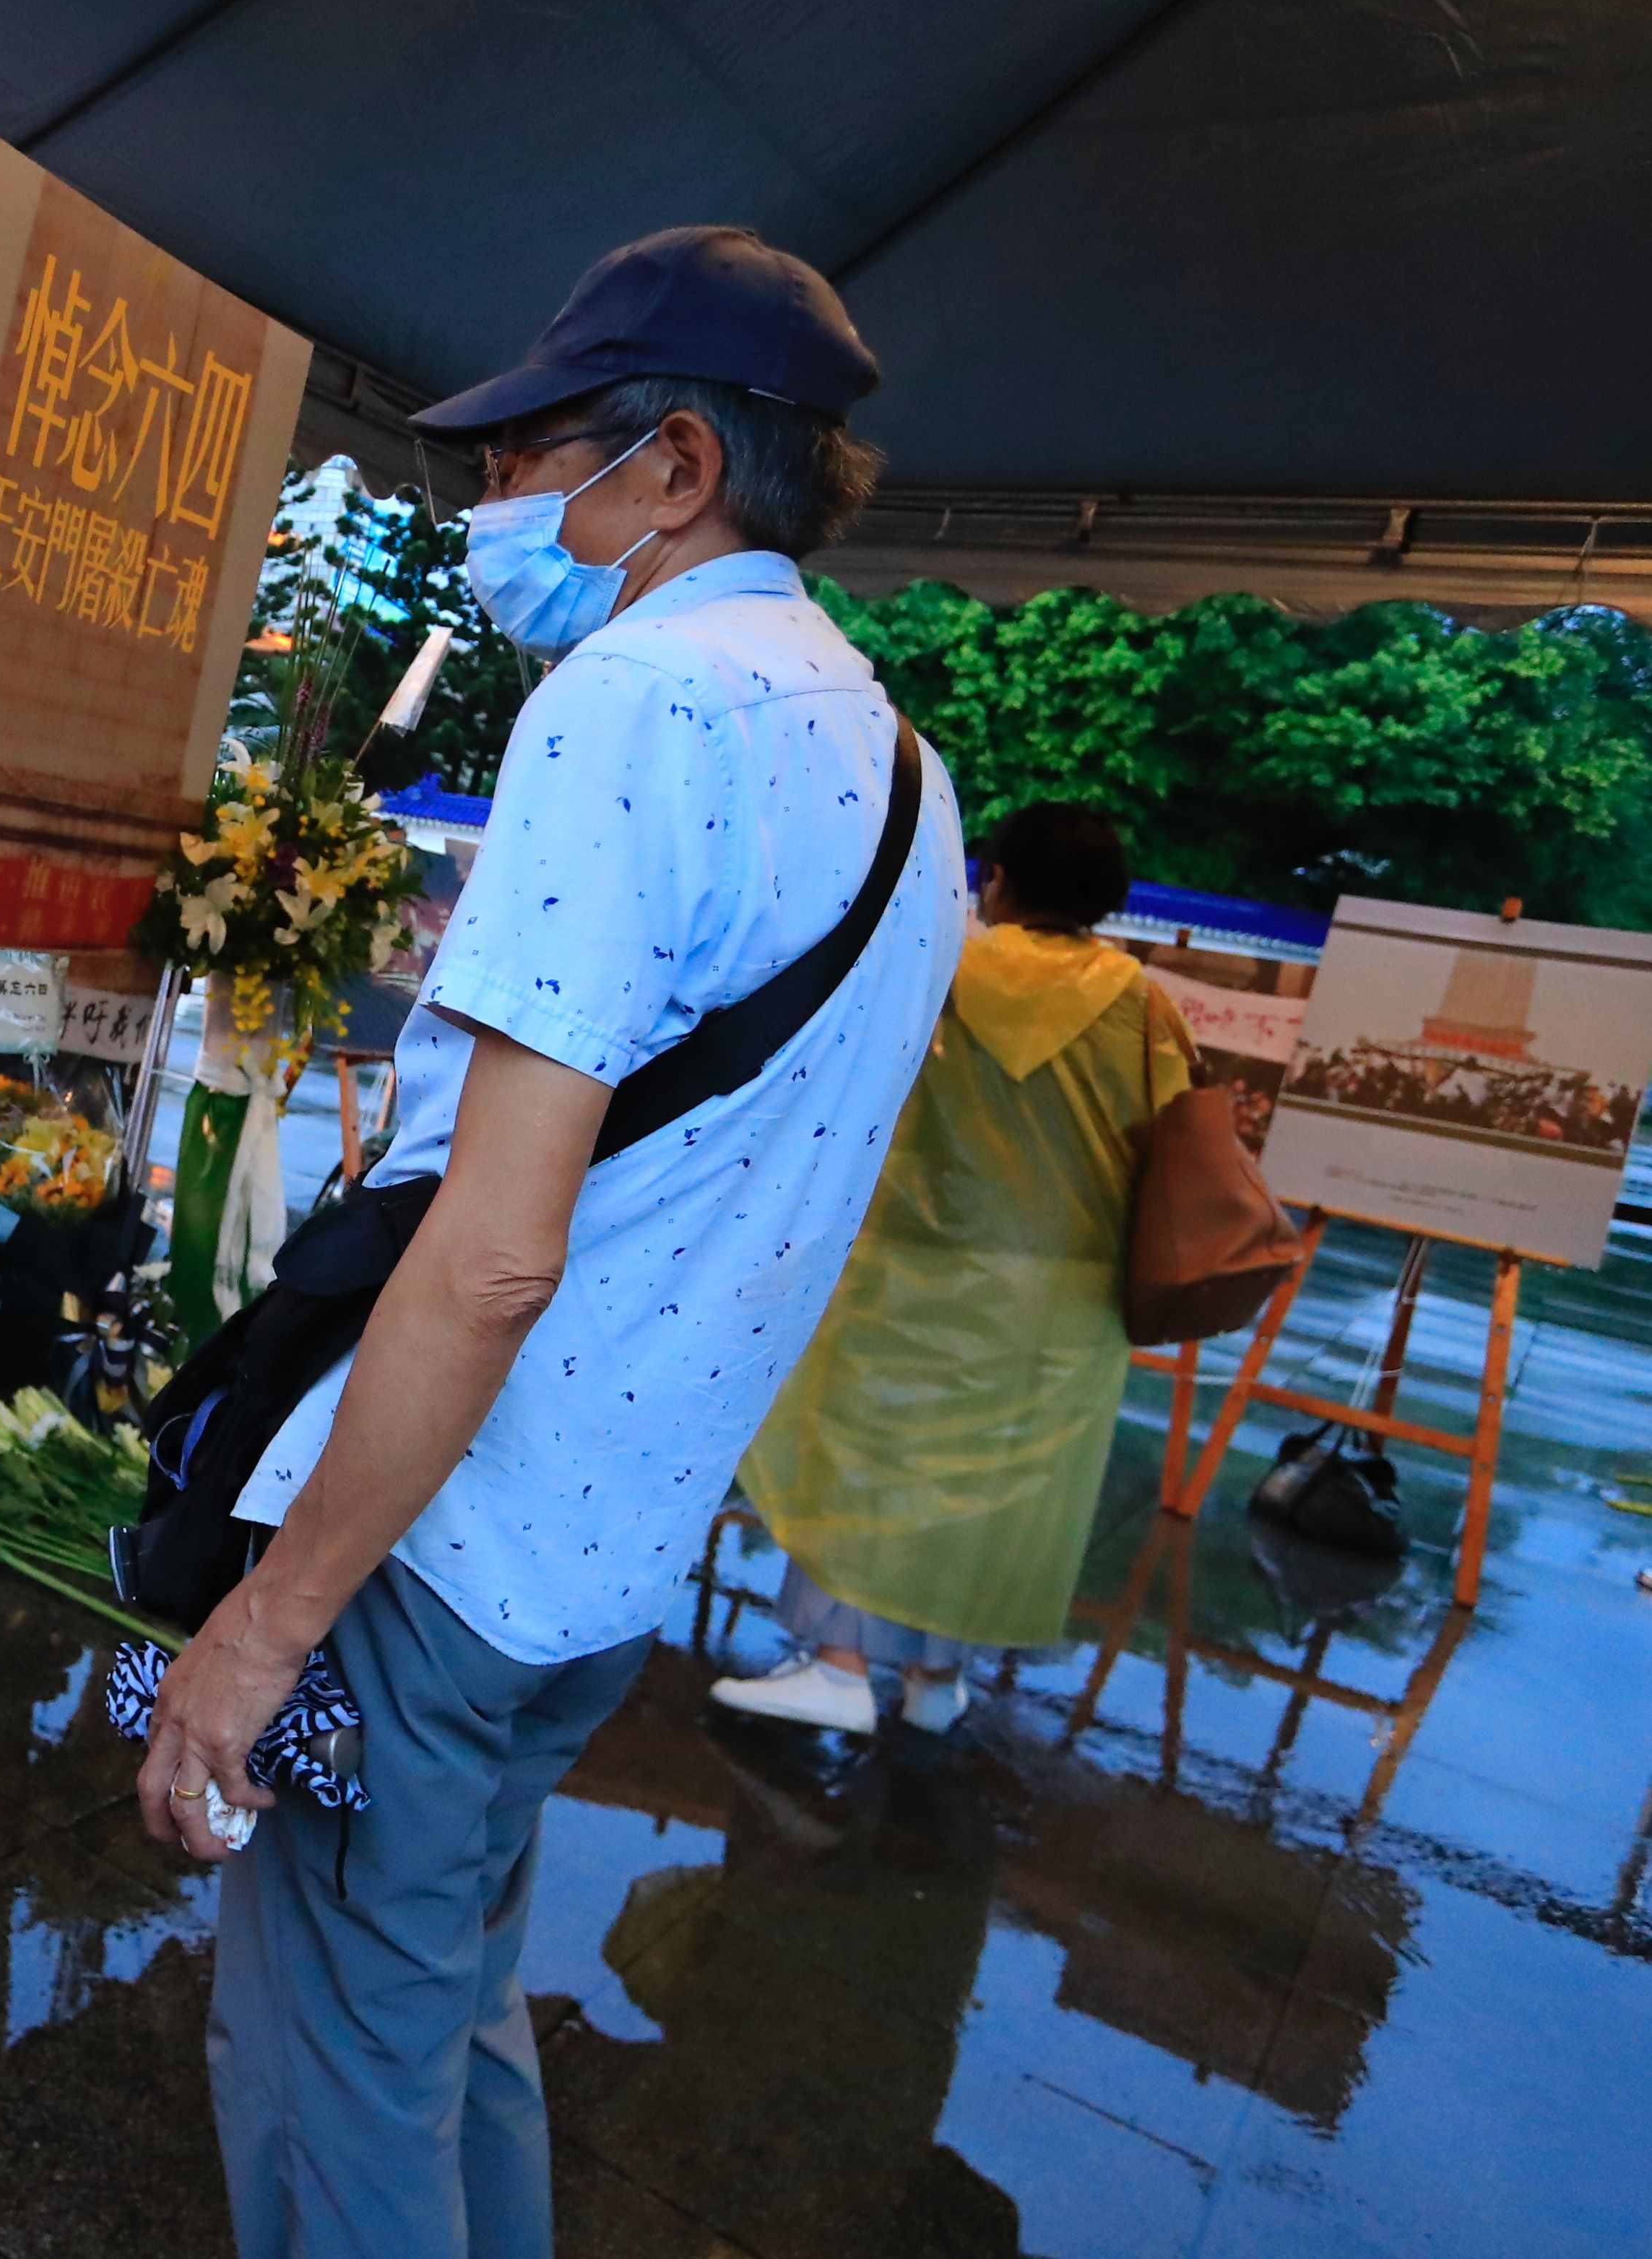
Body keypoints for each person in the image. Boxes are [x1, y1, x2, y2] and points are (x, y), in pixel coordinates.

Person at [129, 227, 965, 2259]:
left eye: (527, 464)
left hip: (441, 1541)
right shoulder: (904, 771)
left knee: (339, 2077)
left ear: (673, 468)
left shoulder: (638, 700)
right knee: (450, 2013)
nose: (491, 513)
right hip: (605, 1555)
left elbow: (494, 1253)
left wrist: (269, 1617)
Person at [714, 803, 1188, 1737]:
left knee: (864, 1464)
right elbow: (1169, 1137)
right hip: (1063, 1293)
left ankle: (839, 1666)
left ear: (996, 881)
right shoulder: (1144, 1006)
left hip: (913, 1265)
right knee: (990, 1487)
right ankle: (937, 1680)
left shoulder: (944, 971)